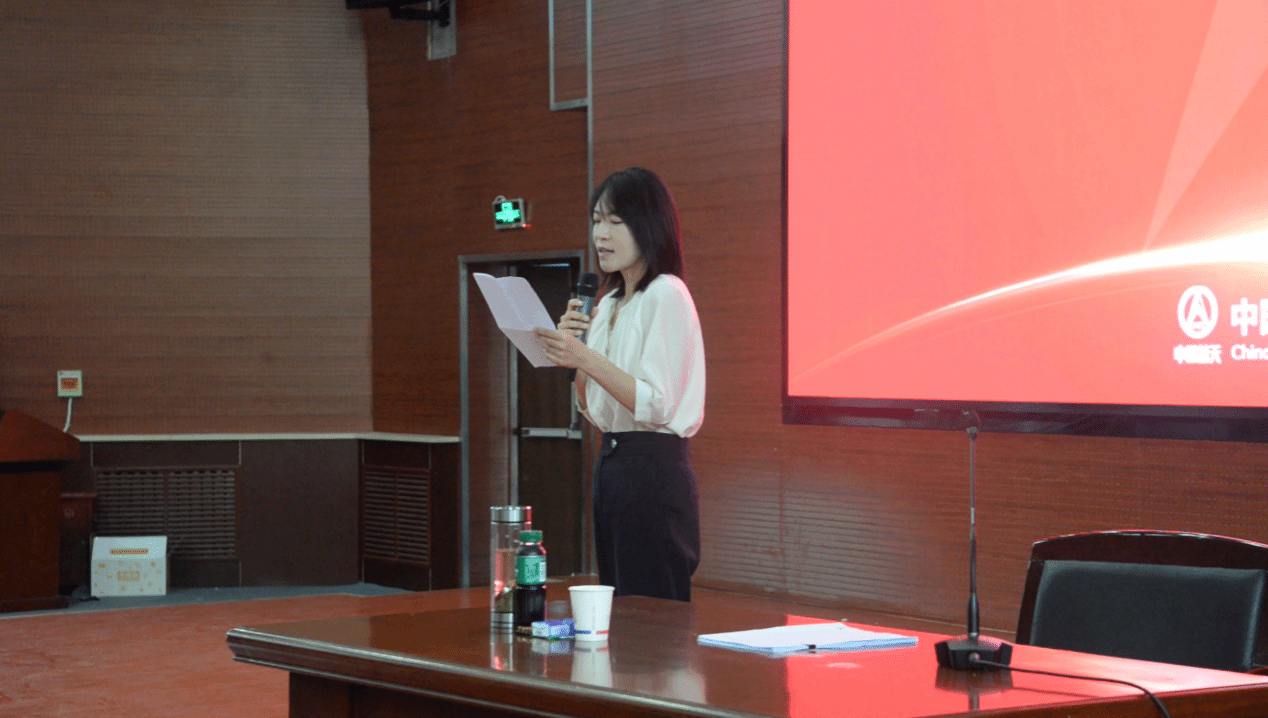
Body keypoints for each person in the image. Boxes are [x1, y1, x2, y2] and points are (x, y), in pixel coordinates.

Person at [534, 167, 705, 602]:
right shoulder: (608, 303)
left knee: (652, 608)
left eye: (615, 221)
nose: (601, 235)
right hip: (612, 461)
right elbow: (594, 406)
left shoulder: (666, 293)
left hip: (653, 467)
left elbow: (657, 404)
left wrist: (585, 357)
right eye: (596, 221)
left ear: (649, 225)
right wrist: (575, 354)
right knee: (619, 604)